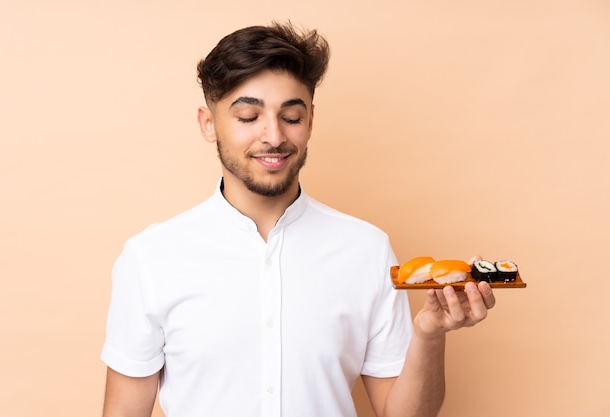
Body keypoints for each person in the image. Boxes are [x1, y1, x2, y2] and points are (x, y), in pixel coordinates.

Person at [101, 21, 496, 417]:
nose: (273, 136)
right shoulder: (151, 258)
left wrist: (428, 336)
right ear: (209, 124)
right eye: (248, 117)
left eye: (290, 116)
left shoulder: (367, 250)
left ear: (310, 119)